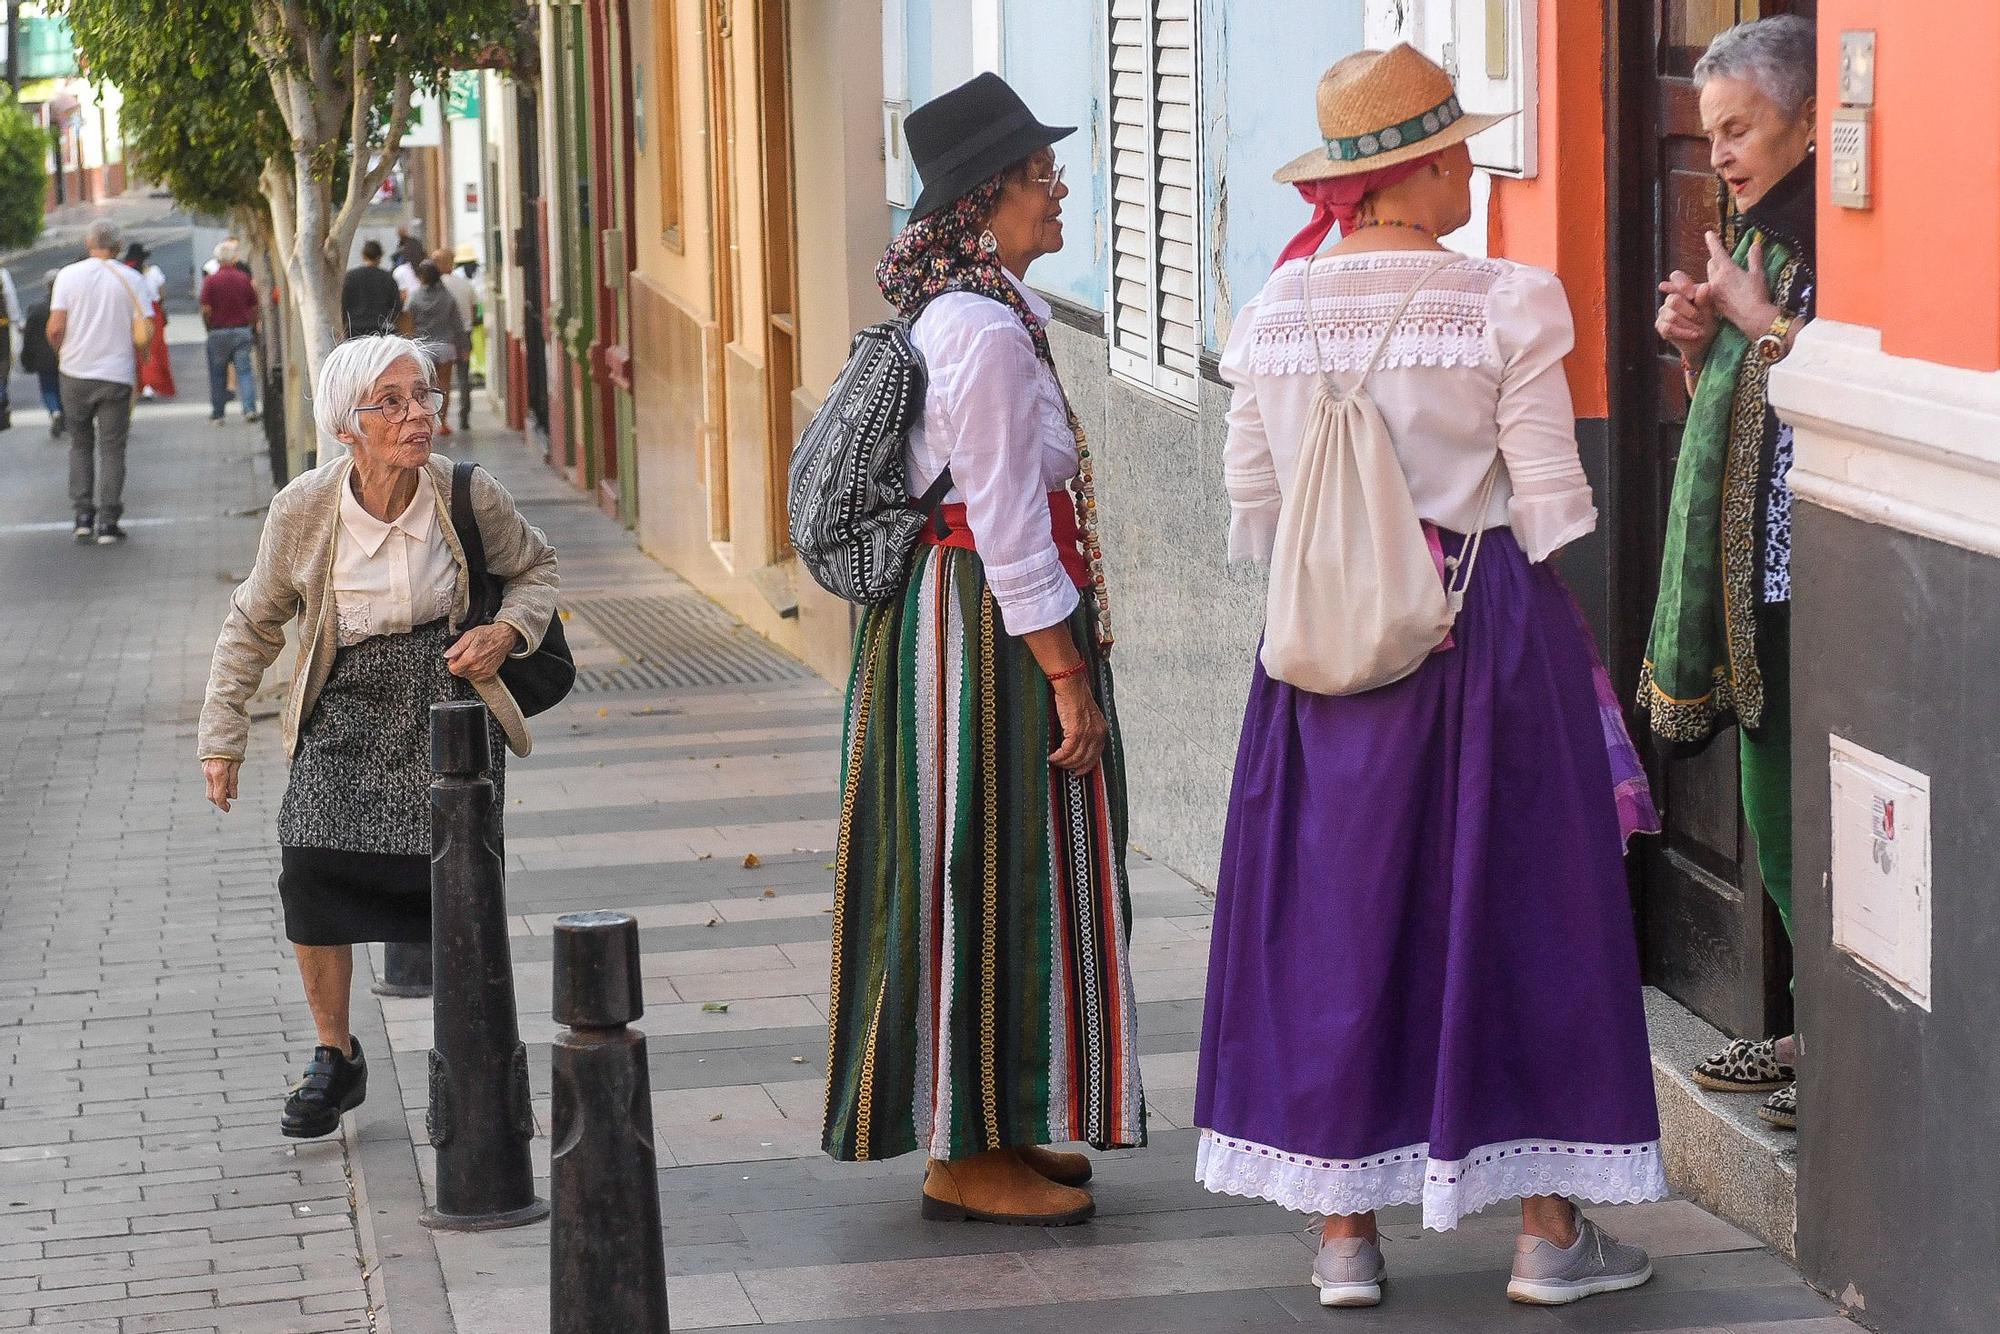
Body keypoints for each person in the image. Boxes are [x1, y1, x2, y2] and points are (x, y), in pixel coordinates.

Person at [1195, 46, 1666, 1310]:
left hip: (1321, 646)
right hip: (1481, 629)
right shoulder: (1506, 301)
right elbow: (1553, 507)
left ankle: (1344, 1236)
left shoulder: (1274, 310)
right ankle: (1545, 1231)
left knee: (1333, 918)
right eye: (1463, 150)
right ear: (1428, 165)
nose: (1475, 170)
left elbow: (1252, 503)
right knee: (1522, 903)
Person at [821, 72, 1143, 1228]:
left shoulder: (979, 312)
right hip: (978, 635)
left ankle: (996, 1123)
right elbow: (1005, 523)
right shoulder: (979, 334)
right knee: (981, 870)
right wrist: (1065, 675)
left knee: (1005, 870)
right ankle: (964, 1148)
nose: (1059, 189)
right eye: (1039, 175)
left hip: (970, 623)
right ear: (984, 199)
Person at [196, 334, 558, 1139]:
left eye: (422, 395)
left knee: (458, 889)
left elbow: (536, 571)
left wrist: (505, 632)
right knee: (310, 861)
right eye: (389, 403)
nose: (416, 415)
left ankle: (475, 1064)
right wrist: (222, 735)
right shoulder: (304, 509)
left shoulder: (468, 493)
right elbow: (254, 620)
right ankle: (336, 1056)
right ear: (346, 425)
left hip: (451, 711)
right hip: (346, 704)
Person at [1643, 15, 1817, 1135]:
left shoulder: (1830, 241)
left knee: (1802, 812)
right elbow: (1750, 387)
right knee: (1772, 799)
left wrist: (1760, 327)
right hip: (1753, 580)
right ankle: (1811, 1029)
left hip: (1809, 579)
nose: (1718, 154)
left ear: (1807, 122)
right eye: (1709, 135)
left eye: (1739, 128)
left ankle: (1829, 1039)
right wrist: (1702, 347)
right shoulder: (1755, 238)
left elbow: (1828, 382)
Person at [50, 219, 154, 545]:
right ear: (118, 246)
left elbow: (55, 327)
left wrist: (63, 353)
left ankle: (82, 516)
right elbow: (146, 329)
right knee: (112, 448)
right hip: (116, 374)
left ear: (88, 243)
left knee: (79, 444)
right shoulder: (133, 279)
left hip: (75, 372)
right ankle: (108, 521)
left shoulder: (67, 276)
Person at [404, 261, 465, 438]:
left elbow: (408, 320)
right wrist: (464, 346)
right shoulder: (448, 297)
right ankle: (443, 422)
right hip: (446, 345)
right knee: (444, 385)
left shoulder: (414, 297)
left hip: (423, 349)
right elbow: (457, 323)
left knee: (425, 388)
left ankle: (428, 420)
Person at [199, 255, 261, 424]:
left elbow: (205, 308)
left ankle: (218, 414)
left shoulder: (211, 281)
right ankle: (249, 409)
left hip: (218, 332)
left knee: (218, 375)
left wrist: (208, 327)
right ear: (234, 261)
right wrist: (252, 326)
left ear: (218, 261)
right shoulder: (244, 279)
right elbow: (254, 306)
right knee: (245, 373)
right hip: (242, 330)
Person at [124, 242, 176, 400]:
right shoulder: (153, 272)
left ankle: (141, 384)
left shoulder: (126, 272)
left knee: (135, 350)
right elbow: (161, 294)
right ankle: (153, 383)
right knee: (154, 348)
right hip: (152, 312)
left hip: (132, 312)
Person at [436, 246, 480, 430]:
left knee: (440, 381)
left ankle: (440, 418)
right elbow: (475, 308)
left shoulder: (435, 287)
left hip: (441, 336)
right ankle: (464, 416)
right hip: (465, 334)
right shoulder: (464, 284)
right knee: (463, 378)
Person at [20, 269, 62, 436]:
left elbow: (28, 337)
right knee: (62, 387)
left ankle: (54, 410)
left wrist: (26, 358)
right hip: (65, 355)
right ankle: (63, 413)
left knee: (48, 388)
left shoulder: (35, 308)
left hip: (43, 359)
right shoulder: (69, 308)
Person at [341, 239, 403, 337]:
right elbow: (397, 306)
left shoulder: (350, 277)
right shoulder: (387, 278)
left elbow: (342, 303)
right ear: (380, 257)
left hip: (354, 330)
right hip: (380, 330)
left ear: (363, 255)